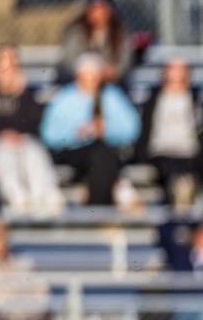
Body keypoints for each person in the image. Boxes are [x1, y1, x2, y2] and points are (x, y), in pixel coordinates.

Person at [40, 52, 139, 207]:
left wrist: (106, 130)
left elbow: (132, 129)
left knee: (102, 155)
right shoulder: (64, 98)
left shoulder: (112, 96)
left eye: (95, 76)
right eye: (87, 76)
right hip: (74, 151)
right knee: (100, 156)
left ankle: (96, 206)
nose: (91, 81)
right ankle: (105, 202)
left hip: (107, 150)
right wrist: (75, 134)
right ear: (79, 76)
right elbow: (49, 135)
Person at [0, 46, 63, 218]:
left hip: (22, 143)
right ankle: (18, 200)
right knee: (5, 153)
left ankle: (44, 199)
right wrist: (2, 133)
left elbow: (36, 123)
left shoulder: (26, 95)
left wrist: (22, 93)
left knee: (34, 152)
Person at [138, 58, 203, 211]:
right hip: (160, 153)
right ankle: (179, 199)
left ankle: (182, 197)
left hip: (189, 154)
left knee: (189, 168)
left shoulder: (195, 99)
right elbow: (144, 131)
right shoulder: (154, 98)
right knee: (169, 171)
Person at [58, 0, 133, 83]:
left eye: (103, 9)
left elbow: (125, 62)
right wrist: (89, 71)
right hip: (78, 84)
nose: (99, 13)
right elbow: (69, 61)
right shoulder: (76, 33)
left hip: (110, 84)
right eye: (95, 9)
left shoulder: (121, 34)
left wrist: (114, 71)